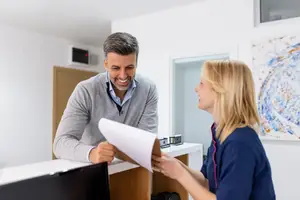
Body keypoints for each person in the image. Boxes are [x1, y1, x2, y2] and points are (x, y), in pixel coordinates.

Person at [152, 60, 276, 200]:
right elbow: (206, 182)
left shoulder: (239, 142)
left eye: (202, 83)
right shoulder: (221, 134)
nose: (196, 88)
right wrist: (174, 164)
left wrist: (180, 174)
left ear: (220, 89)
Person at [53, 32, 158, 164]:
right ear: (106, 64)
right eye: (116, 68)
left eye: (130, 67)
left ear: (136, 63)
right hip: (92, 170)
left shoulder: (148, 89)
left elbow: (146, 140)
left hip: (129, 169)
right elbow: (60, 143)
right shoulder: (85, 90)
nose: (123, 76)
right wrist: (91, 153)